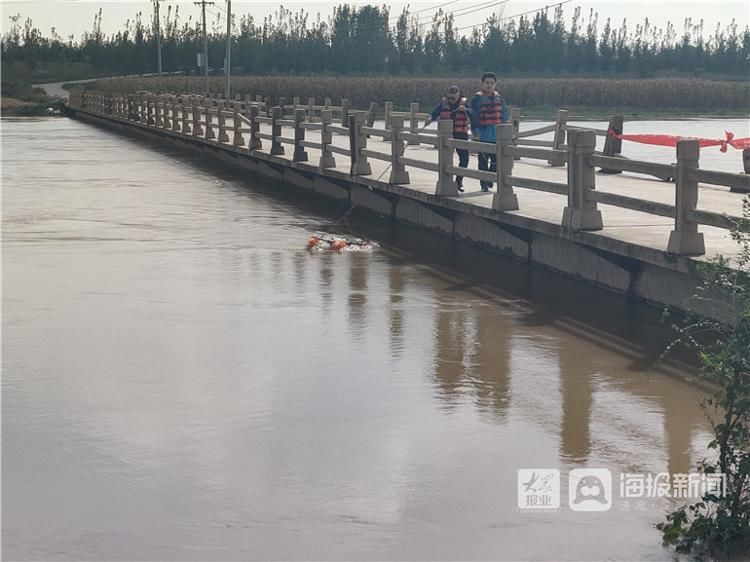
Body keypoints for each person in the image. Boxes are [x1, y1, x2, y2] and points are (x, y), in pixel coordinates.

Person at [425, 85, 472, 192]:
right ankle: (446, 181)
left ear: (458, 96)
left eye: (453, 98)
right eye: (449, 98)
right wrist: (430, 118)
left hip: (461, 134)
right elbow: (434, 113)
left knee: (464, 159)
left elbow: (473, 114)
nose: (451, 100)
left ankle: (459, 181)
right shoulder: (443, 103)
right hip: (446, 135)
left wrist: (466, 110)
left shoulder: (464, 103)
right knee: (446, 160)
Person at [470, 72, 509, 191]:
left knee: (496, 161)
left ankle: (490, 178)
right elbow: (474, 116)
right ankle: (484, 184)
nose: (489, 85)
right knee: (483, 161)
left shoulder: (499, 97)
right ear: (482, 84)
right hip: (483, 133)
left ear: (495, 84)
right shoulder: (477, 98)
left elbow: (504, 113)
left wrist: (505, 127)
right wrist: (475, 131)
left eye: (492, 83)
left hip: (497, 134)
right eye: (487, 83)